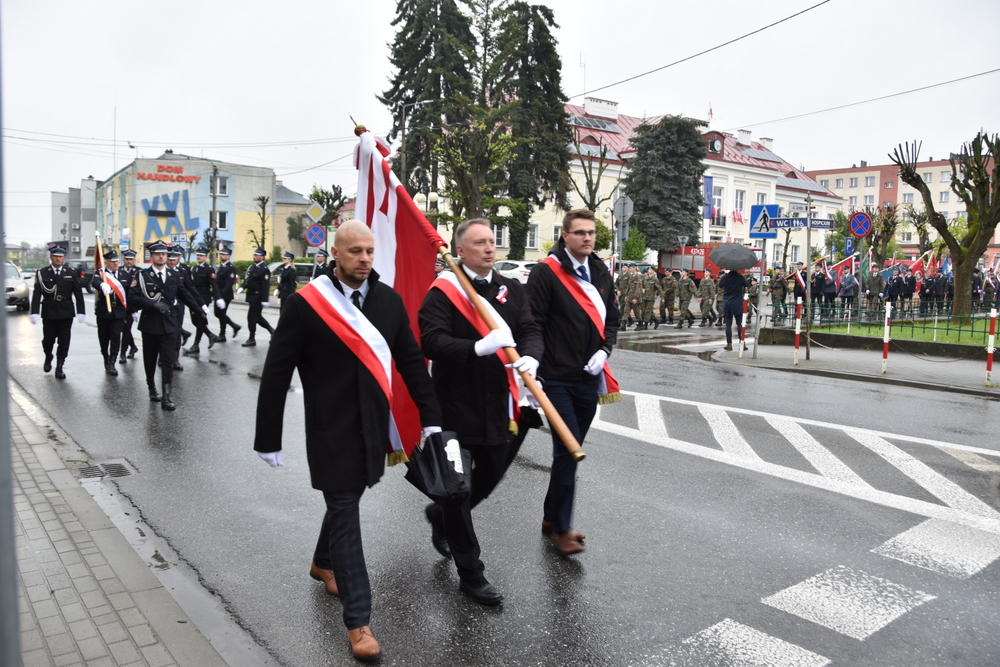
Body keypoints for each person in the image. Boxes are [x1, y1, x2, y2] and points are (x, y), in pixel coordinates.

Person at [253, 221, 442, 661]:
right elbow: (278, 371)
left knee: (347, 501)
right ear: (335, 254)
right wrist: (269, 437)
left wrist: (431, 418)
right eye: (355, 251)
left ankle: (322, 563)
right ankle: (359, 621)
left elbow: (412, 362)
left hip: (373, 428)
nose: (364, 259)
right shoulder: (306, 305)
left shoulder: (387, 301)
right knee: (345, 510)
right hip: (329, 430)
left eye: (370, 251)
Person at [418, 218, 543, 604]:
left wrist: (532, 358)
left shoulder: (511, 288)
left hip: (502, 405)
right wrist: (476, 348)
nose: (490, 248)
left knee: (485, 482)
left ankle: (440, 517)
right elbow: (431, 341)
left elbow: (530, 329)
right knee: (458, 492)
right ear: (461, 250)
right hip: (455, 407)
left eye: (492, 241)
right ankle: (471, 573)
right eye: (480, 243)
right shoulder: (443, 292)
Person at [526, 209, 620, 556]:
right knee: (568, 450)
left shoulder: (599, 271)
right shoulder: (545, 273)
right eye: (580, 232)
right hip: (555, 378)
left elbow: (612, 318)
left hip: (588, 378)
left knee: (570, 448)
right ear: (564, 236)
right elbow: (532, 322)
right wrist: (533, 369)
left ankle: (552, 516)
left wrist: (605, 350)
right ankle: (562, 530)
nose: (587, 238)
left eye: (592, 233)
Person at [129, 240, 202, 410]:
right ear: (152, 256)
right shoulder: (141, 275)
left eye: (164, 254)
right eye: (157, 254)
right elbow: (133, 298)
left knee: (168, 361)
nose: (161, 257)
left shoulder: (174, 275)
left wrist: (198, 310)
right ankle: (152, 389)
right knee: (150, 359)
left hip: (170, 324)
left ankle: (167, 396)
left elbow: (184, 294)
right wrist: (152, 304)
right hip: (150, 324)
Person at [30, 243, 86, 379]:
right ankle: (48, 355)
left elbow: (78, 294)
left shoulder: (71, 273)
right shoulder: (42, 273)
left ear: (64, 259)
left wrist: (81, 311)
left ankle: (60, 366)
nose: (58, 259)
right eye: (55, 257)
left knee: (64, 340)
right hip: (49, 311)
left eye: (60, 257)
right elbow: (37, 294)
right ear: (51, 257)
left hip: (66, 311)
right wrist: (35, 312)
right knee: (48, 340)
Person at [91, 250, 129, 376]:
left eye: (117, 261)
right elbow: (94, 282)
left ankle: (112, 362)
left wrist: (133, 310)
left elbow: (130, 292)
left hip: (118, 311)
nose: (115, 264)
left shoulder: (124, 274)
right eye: (112, 262)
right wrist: (102, 284)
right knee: (103, 338)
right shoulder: (101, 273)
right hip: (104, 311)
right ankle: (106, 359)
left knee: (115, 336)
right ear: (106, 262)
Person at [187, 247, 222, 354]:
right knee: (195, 321)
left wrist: (218, 297)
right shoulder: (193, 268)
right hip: (193, 298)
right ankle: (211, 335)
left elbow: (214, 285)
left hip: (203, 298)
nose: (199, 257)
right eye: (197, 255)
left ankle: (196, 345)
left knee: (200, 320)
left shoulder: (209, 269)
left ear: (206, 257)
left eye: (201, 255)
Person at [238, 248, 274, 346]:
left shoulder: (264, 270)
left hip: (258, 297)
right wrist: (242, 287)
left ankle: (251, 338)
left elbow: (265, 286)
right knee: (257, 317)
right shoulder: (252, 267)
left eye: (257, 255)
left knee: (252, 317)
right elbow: (247, 280)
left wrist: (264, 300)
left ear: (262, 257)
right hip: (251, 295)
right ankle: (272, 332)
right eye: (254, 255)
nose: (255, 257)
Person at [213, 246, 242, 341]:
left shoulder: (230, 268)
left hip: (225, 295)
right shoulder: (221, 267)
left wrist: (221, 296)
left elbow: (229, 283)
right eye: (221, 254)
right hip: (219, 294)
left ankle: (223, 334)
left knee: (221, 314)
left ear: (229, 256)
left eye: (224, 254)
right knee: (219, 314)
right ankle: (233, 327)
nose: (221, 256)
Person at [118, 249, 141, 362]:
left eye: (131, 259)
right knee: (123, 329)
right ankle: (133, 347)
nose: (129, 261)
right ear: (123, 259)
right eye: (127, 259)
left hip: (132, 307)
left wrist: (135, 309)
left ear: (134, 260)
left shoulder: (139, 272)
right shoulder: (119, 270)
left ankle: (122, 353)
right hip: (120, 305)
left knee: (126, 329)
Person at [718, 269, 749, 350]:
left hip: (727, 303)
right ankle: (742, 343)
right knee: (739, 324)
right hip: (737, 303)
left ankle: (729, 344)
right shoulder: (740, 277)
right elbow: (746, 284)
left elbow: (720, 285)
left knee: (728, 325)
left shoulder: (725, 277)